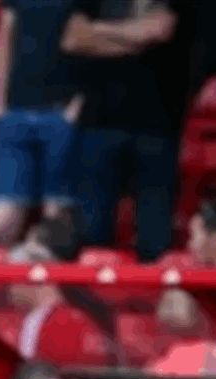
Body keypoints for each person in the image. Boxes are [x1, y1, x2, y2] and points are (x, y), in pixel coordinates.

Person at [61, 0, 192, 262]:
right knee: (91, 233)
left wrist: (97, 30)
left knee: (155, 238)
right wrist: (135, 36)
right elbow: (72, 39)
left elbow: (160, 30)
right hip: (98, 123)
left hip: (157, 127)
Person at [0, 0, 81, 245]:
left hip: (62, 113)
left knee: (57, 223)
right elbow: (5, 39)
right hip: (15, 112)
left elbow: (90, 40)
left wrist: (78, 103)